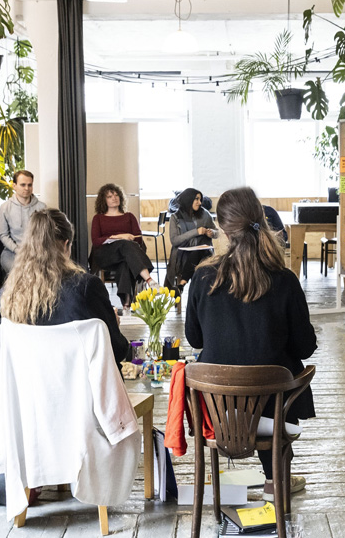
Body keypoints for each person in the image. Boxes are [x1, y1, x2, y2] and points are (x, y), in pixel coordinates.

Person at [185, 186, 316, 501]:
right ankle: (277, 482)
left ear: (223, 230)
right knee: (280, 372)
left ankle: (231, 489)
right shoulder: (284, 280)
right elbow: (305, 347)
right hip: (275, 413)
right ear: (262, 221)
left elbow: (195, 339)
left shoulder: (203, 279)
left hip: (220, 413)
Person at [0, 208, 130, 363]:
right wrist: (112, 326)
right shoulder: (86, 288)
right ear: (66, 245)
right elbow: (117, 351)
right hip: (78, 385)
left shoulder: (3, 298)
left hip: (26, 385)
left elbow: (1, 357)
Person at [89, 183, 156, 306]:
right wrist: (119, 237)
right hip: (105, 255)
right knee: (125, 245)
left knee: (125, 264)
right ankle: (149, 280)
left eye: (116, 195)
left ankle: (126, 304)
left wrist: (129, 238)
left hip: (126, 255)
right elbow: (96, 241)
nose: (114, 198)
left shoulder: (129, 216)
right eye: (109, 196)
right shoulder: (98, 218)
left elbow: (139, 239)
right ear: (104, 201)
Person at [164, 188, 216, 294]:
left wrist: (212, 233)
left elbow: (217, 232)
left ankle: (181, 284)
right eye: (196, 199)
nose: (200, 202)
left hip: (204, 253)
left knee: (200, 251)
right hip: (183, 254)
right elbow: (174, 240)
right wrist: (196, 232)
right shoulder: (175, 217)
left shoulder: (205, 214)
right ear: (188, 200)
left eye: (200, 199)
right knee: (198, 254)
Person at [0, 169, 47, 273]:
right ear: (14, 186)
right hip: (12, 253)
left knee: (40, 272)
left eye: (30, 185)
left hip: (36, 252)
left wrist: (36, 251)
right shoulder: (5, 207)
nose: (27, 188)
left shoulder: (42, 207)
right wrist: (18, 250)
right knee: (20, 273)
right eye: (23, 185)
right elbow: (3, 235)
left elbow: (45, 233)